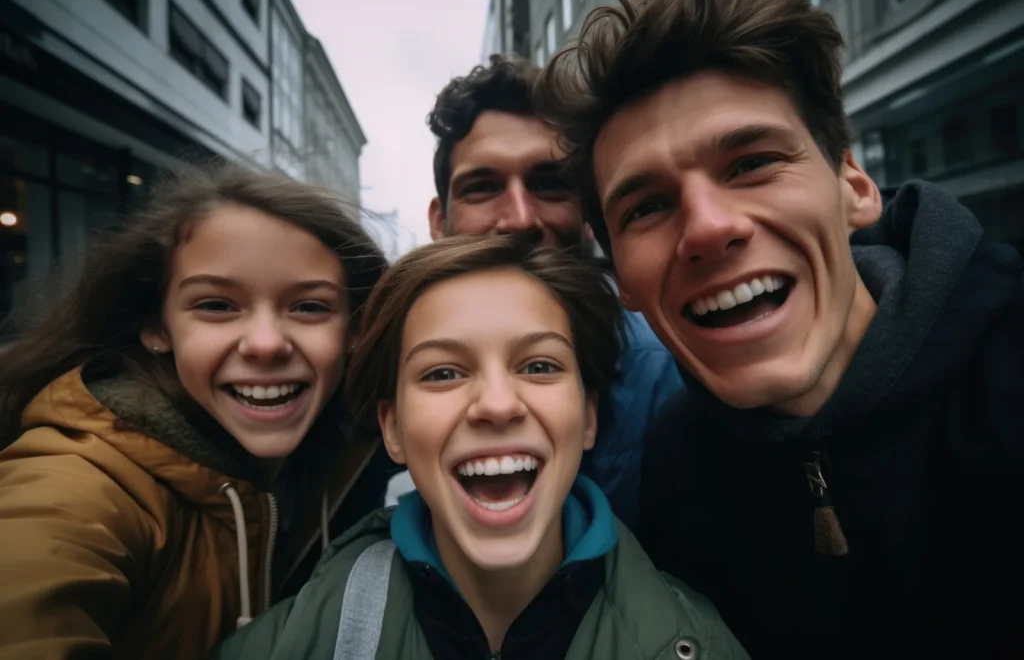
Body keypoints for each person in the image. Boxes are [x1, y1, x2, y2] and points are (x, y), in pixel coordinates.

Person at [536, 0, 1024, 658]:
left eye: (753, 163)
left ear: (855, 187)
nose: (708, 227)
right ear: (622, 280)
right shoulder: (673, 475)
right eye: (645, 207)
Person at [212, 234, 748, 660]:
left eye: (539, 365)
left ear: (588, 417)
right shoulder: (281, 646)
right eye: (443, 372)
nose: (496, 404)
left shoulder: (703, 644)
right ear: (393, 430)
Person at [0, 162, 389, 659]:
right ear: (156, 327)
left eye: (309, 307)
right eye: (217, 306)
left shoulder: (347, 445)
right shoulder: (76, 490)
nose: (266, 344)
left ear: (355, 331)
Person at [403, 54, 683, 527]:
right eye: (483, 187)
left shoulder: (668, 374)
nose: (519, 219)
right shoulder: (385, 369)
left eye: (550, 184)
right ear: (438, 221)